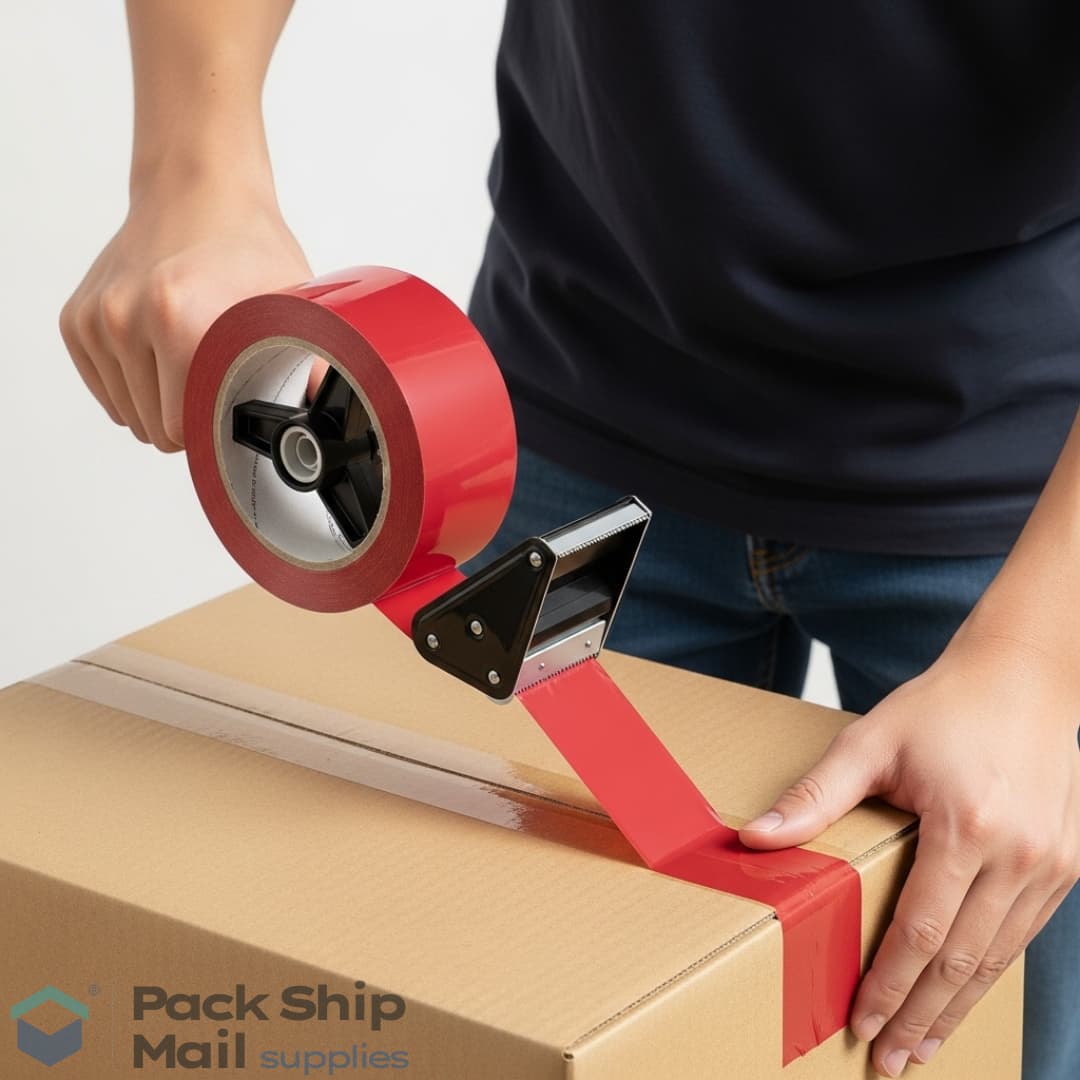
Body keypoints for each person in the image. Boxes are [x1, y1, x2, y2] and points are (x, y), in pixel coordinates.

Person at [59, 4, 1079, 1078]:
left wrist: (1039, 661)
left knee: (979, 1025)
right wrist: (193, 172)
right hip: (570, 406)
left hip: (1024, 497)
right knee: (510, 995)